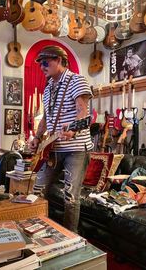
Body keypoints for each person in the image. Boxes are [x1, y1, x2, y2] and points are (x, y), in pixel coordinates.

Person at [30, 45, 93, 233]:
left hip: (76, 149)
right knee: (38, 188)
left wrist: (73, 130)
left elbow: (83, 111)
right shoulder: (48, 88)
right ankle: (40, 228)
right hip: (53, 148)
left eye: (45, 62)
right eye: (40, 63)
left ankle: (69, 236)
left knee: (70, 196)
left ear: (58, 60)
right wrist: (37, 137)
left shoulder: (77, 80)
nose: (42, 66)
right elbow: (46, 118)